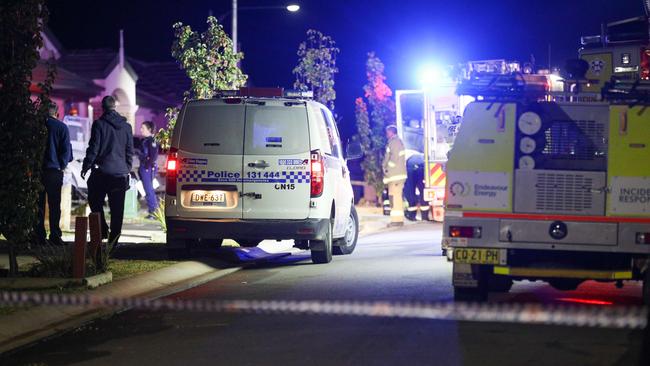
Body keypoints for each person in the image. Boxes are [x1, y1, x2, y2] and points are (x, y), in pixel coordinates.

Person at [81, 96, 134, 245]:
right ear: (114, 107)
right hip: (120, 174)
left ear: (103, 108)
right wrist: (127, 167)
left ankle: (102, 229)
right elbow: (130, 150)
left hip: (102, 172)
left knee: (94, 199)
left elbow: (94, 148)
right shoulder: (126, 126)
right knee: (118, 209)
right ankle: (114, 240)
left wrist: (86, 165)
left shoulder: (99, 124)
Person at [35, 103, 72, 246]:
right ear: (56, 113)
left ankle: (39, 235)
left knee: (38, 205)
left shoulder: (37, 127)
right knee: (54, 205)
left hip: (38, 171)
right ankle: (55, 235)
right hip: (54, 171)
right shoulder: (62, 127)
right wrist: (61, 166)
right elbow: (66, 151)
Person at [382, 125, 407, 226]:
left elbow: (394, 158)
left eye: (387, 132)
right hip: (396, 175)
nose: (386, 134)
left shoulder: (395, 142)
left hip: (395, 175)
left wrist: (387, 167)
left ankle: (397, 220)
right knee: (395, 197)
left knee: (395, 197)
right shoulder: (395, 142)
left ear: (392, 132)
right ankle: (396, 219)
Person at [138, 121, 159, 219]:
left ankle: (153, 212)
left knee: (149, 190)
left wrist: (147, 166)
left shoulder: (151, 140)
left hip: (148, 167)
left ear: (149, 130)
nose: (141, 130)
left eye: (143, 128)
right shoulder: (146, 140)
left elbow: (153, 156)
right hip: (145, 167)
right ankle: (152, 211)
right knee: (147, 189)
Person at [403, 153, 430, 221]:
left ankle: (412, 216)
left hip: (409, 166)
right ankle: (424, 216)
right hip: (422, 164)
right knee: (423, 191)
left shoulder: (407, 154)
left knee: (410, 191)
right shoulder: (421, 154)